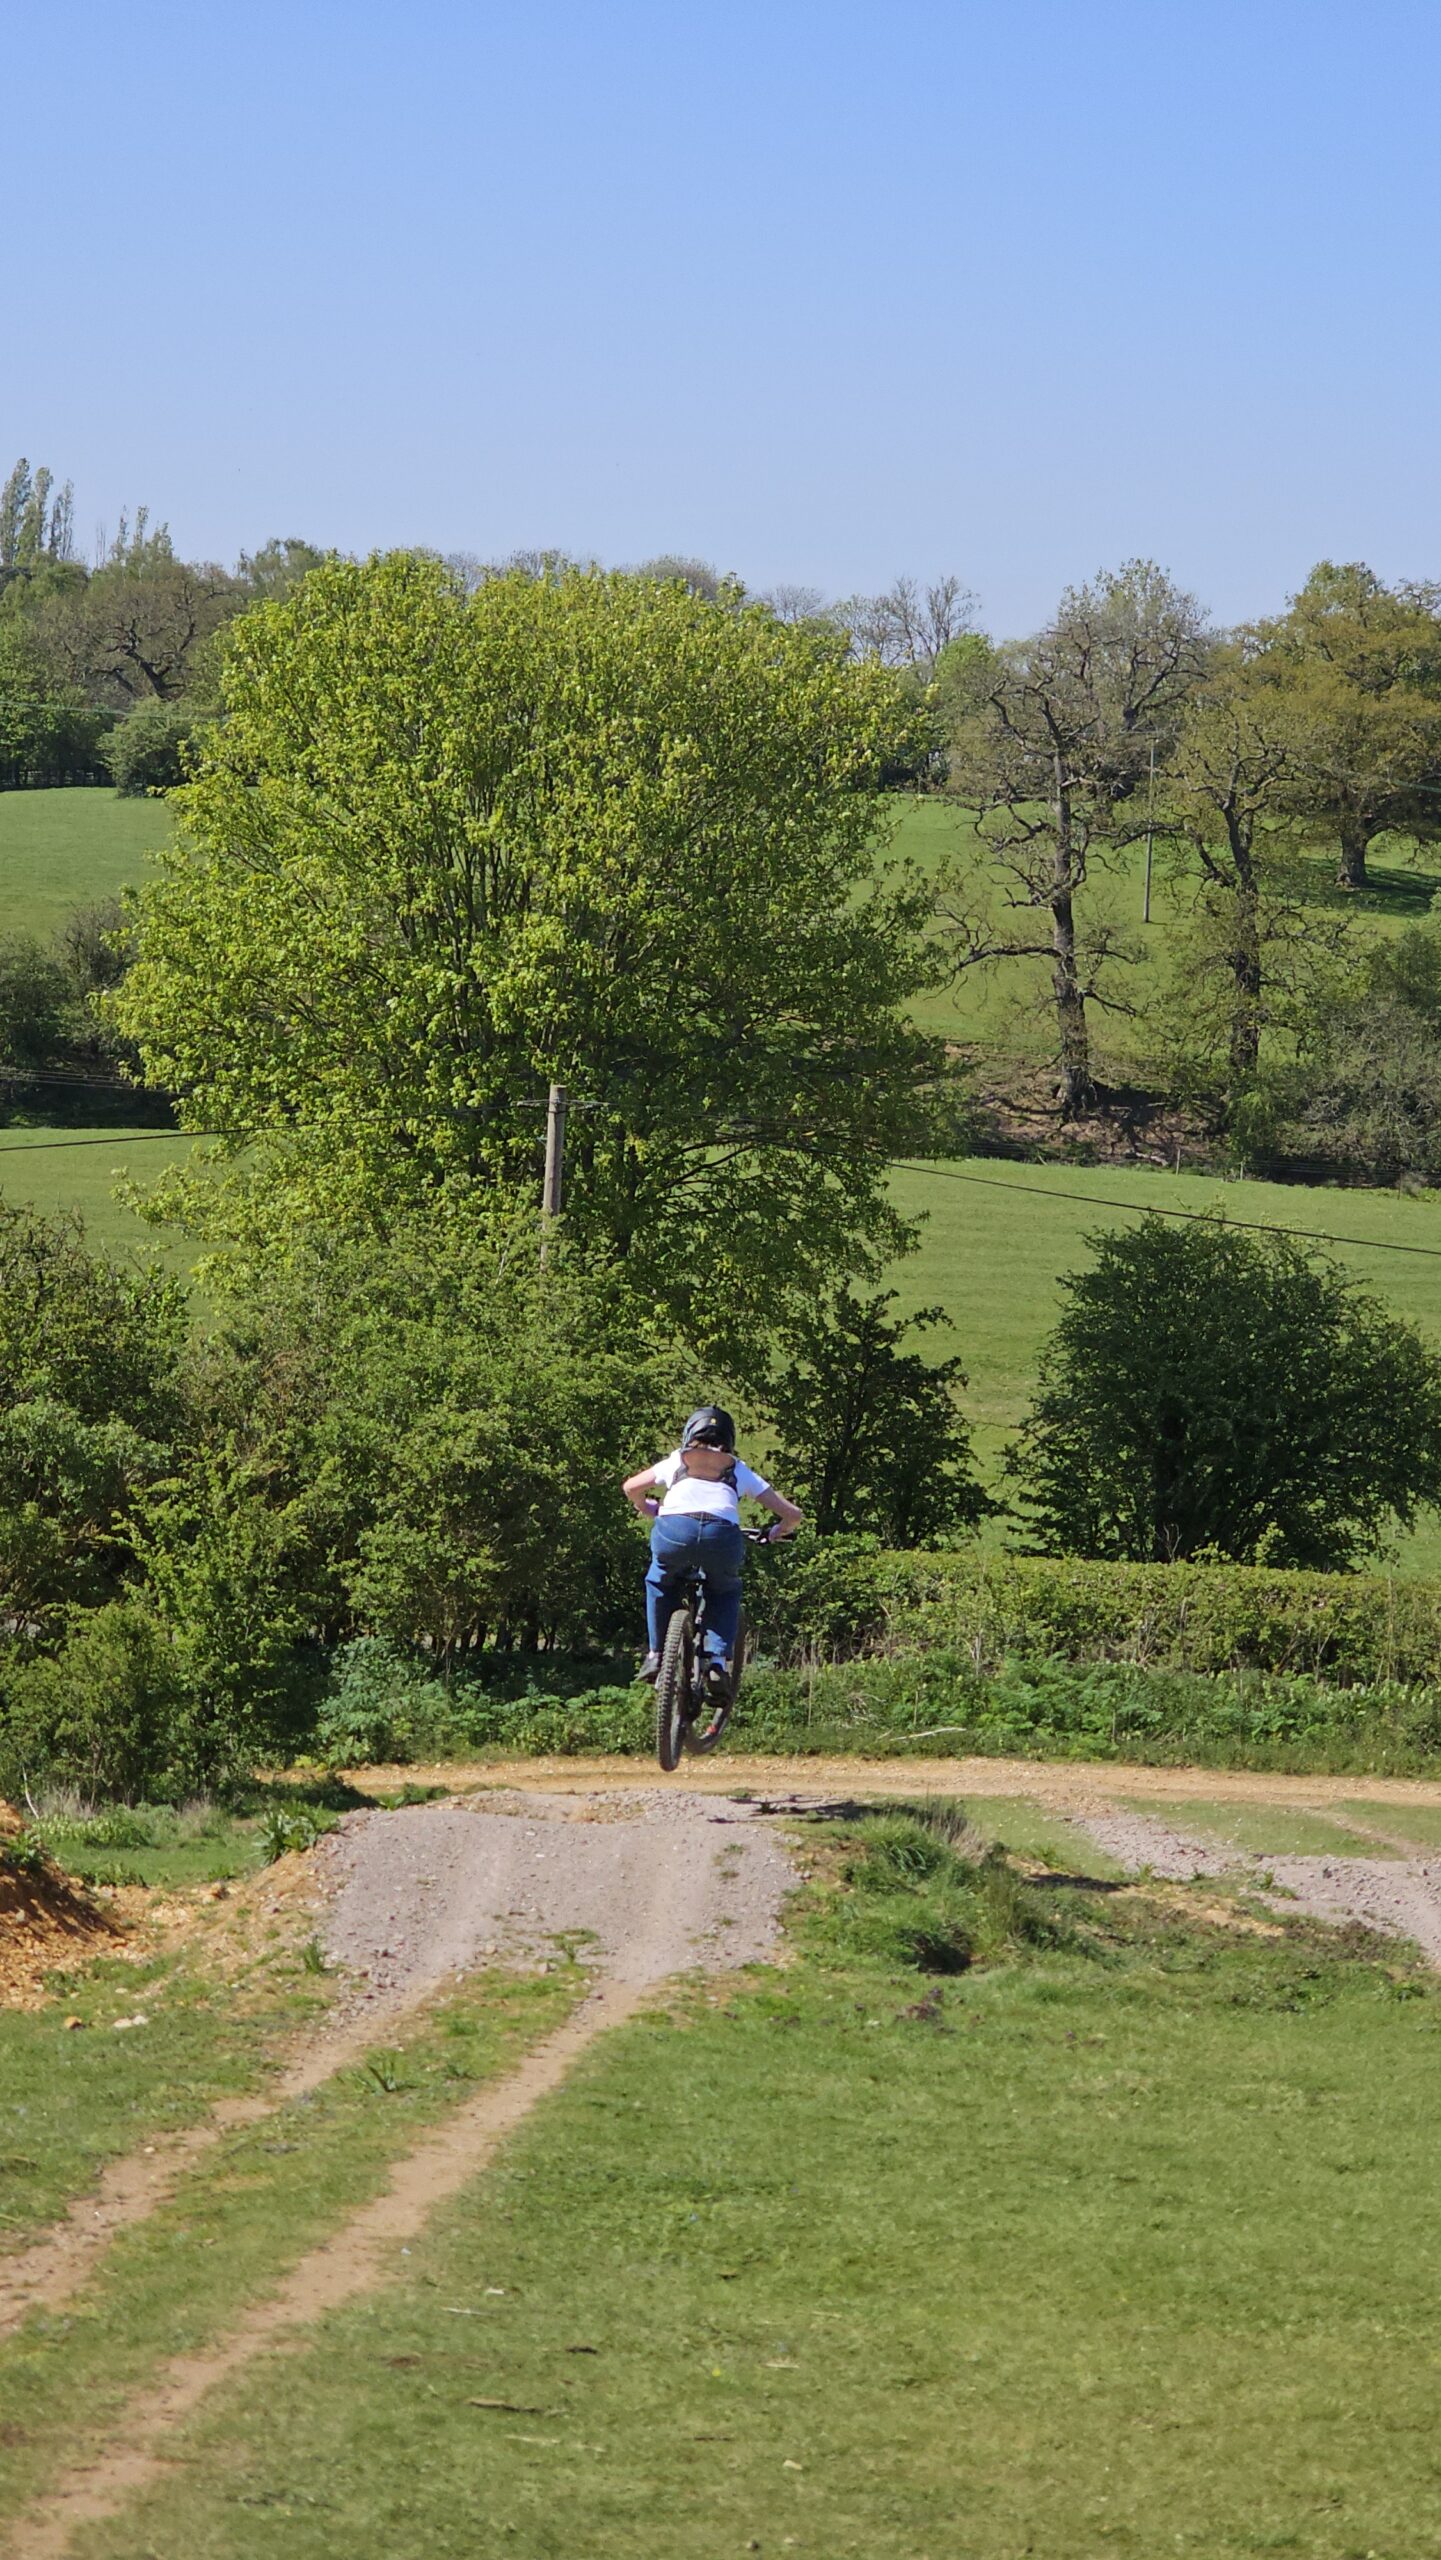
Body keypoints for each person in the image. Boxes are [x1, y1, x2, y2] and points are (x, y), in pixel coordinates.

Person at [622, 1406, 802, 1694]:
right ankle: (716, 1662)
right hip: (722, 1536)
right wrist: (779, 1530)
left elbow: (631, 1487)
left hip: (674, 1531)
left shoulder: (676, 1461)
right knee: (724, 1588)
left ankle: (656, 1654)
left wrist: (647, 1507)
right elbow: (792, 1513)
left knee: (659, 1580)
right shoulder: (737, 1469)